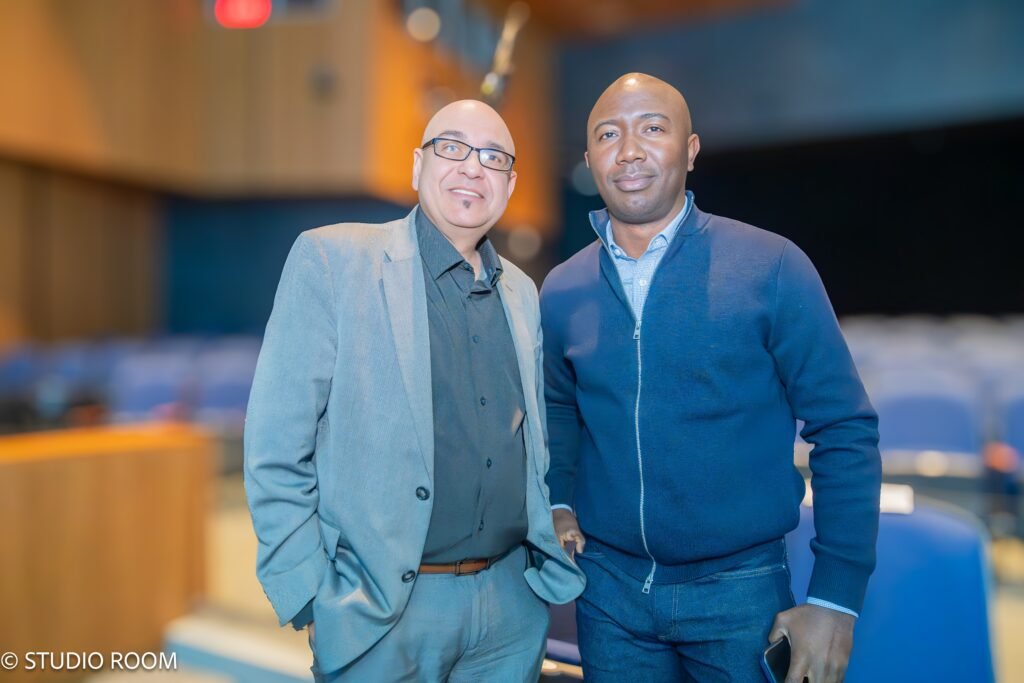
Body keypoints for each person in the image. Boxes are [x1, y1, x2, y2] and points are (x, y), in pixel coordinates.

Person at [541, 73, 881, 683]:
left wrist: (835, 598)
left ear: (690, 150)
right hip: (607, 592)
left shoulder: (772, 265)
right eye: (608, 135)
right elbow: (559, 407)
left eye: (653, 128)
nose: (629, 150)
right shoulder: (562, 288)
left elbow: (844, 428)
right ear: (589, 159)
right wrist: (560, 497)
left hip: (740, 591)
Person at [245, 99, 583, 682]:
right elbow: (276, 446)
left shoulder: (523, 293)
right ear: (416, 166)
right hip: (381, 609)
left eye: (493, 157)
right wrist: (310, 596)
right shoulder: (333, 260)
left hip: (510, 607)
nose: (472, 167)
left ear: (509, 185)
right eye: (451, 147)